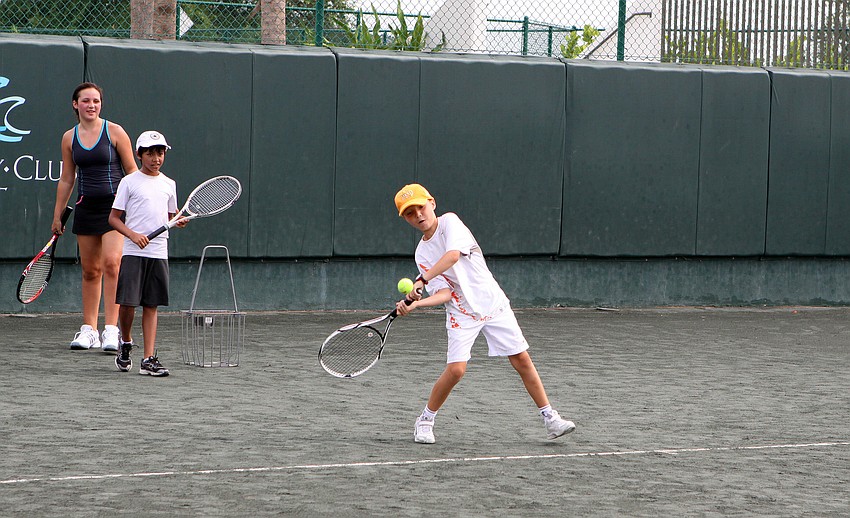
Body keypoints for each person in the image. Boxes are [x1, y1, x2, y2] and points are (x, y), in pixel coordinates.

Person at [393, 183, 576, 444]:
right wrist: (415, 304)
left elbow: (453, 256)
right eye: (410, 213)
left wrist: (422, 279)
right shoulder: (422, 253)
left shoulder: (450, 222)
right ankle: (425, 419)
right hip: (461, 312)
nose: (418, 215)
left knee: (521, 359)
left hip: (492, 303)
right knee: (456, 370)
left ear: (432, 203)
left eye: (420, 207)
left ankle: (551, 419)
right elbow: (444, 293)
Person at [53, 82, 138, 352]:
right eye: (86, 101)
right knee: (91, 271)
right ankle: (89, 330)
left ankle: (111, 330)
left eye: (96, 101)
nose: (92, 105)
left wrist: (138, 207)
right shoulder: (69, 137)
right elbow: (67, 178)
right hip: (86, 208)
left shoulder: (114, 131)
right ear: (75, 105)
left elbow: (132, 171)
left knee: (113, 264)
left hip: (115, 209)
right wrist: (58, 216)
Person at [107, 130, 185, 376]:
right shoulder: (129, 182)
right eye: (150, 153)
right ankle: (126, 343)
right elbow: (113, 218)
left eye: (160, 153)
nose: (156, 158)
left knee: (151, 305)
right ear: (139, 155)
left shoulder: (169, 184)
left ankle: (149, 358)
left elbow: (171, 217)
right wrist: (132, 235)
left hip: (159, 253)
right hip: (132, 252)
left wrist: (179, 221)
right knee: (128, 304)